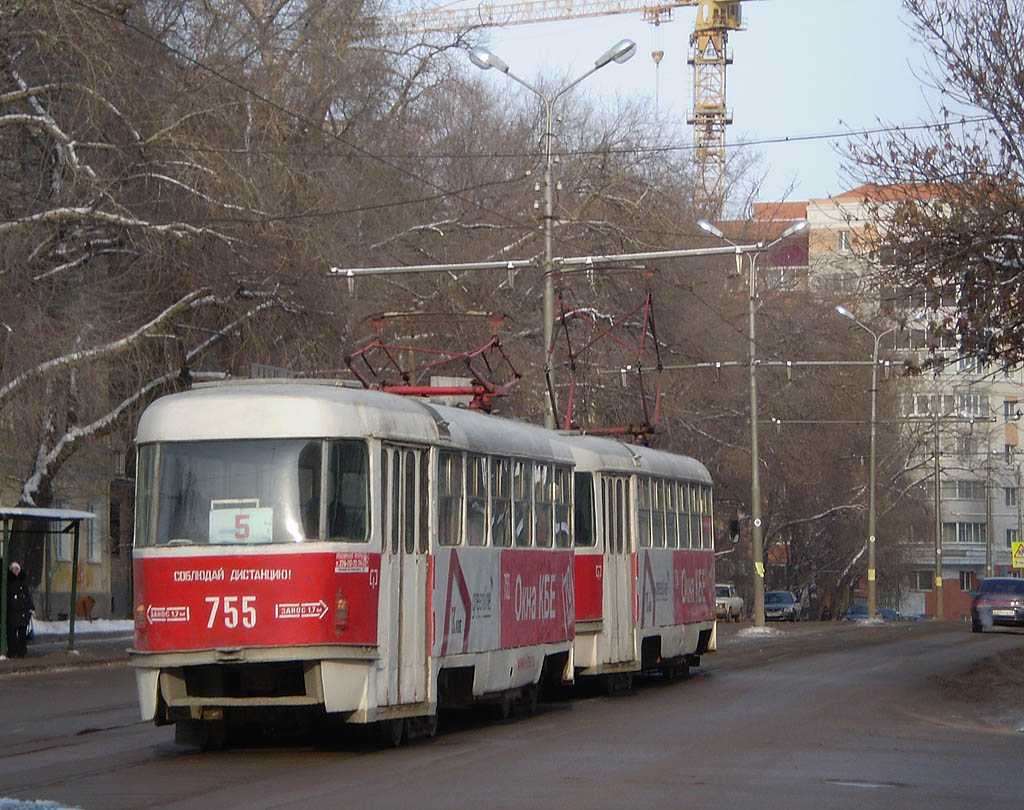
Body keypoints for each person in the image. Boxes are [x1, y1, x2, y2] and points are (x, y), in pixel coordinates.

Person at [5, 561, 35, 657]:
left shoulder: (23, 581)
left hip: (22, 611)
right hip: (12, 611)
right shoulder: (8, 581)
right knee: (12, 633)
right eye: (14, 569)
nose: (16, 571)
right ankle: (12, 651)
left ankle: (21, 651)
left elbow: (27, 594)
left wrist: (31, 606)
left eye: (17, 569)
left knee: (22, 633)